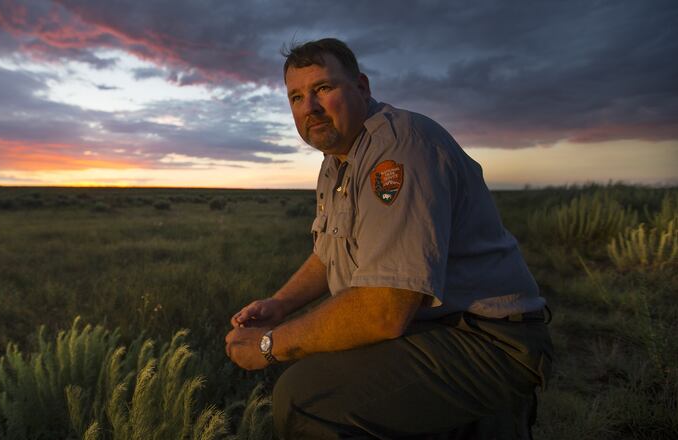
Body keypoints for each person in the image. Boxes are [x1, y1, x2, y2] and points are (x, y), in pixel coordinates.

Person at [224, 38, 553, 439]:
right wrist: (278, 305)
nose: (308, 107)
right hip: (436, 328)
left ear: (361, 87)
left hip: (490, 341)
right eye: (296, 96)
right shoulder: (336, 164)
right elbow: (327, 254)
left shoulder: (399, 149)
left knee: (304, 398)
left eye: (323, 89)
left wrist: (268, 346)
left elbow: (384, 309)